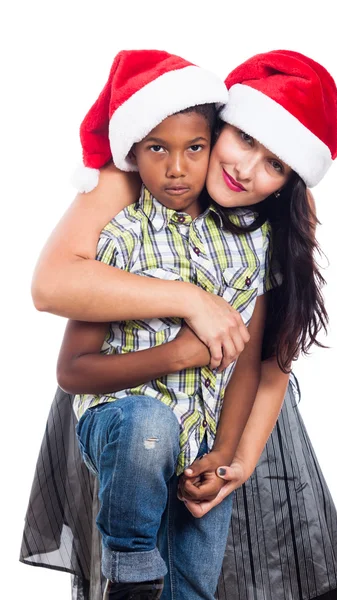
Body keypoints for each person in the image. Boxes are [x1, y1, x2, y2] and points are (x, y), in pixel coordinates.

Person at [21, 50, 337, 600]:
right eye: (244, 139)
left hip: (241, 413)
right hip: (129, 394)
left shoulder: (279, 216)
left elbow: (271, 360)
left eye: (275, 163)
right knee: (146, 549)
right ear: (222, 122)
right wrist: (191, 301)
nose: (248, 168)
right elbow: (50, 286)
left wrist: (239, 459)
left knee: (300, 572)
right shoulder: (140, 180)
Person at [54, 48, 274, 600]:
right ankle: (128, 572)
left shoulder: (250, 242)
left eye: (194, 148)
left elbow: (251, 360)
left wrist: (224, 456)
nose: (177, 169)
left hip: (203, 441)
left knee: (192, 586)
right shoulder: (122, 236)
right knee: (149, 426)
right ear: (132, 152)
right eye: (157, 149)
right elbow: (73, 371)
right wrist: (175, 354)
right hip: (122, 424)